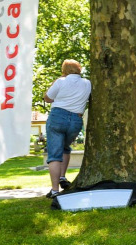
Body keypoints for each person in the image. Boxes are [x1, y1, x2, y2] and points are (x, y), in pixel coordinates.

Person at [43, 59, 91, 198]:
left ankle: (54, 190)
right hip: (76, 119)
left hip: (58, 116)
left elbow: (47, 98)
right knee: (65, 147)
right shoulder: (87, 83)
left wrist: (56, 82)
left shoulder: (61, 82)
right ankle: (63, 177)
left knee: (54, 155)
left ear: (64, 70)